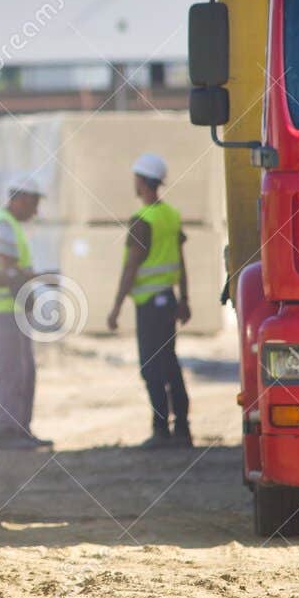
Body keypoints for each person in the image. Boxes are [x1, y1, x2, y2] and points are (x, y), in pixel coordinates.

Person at [106, 152, 192, 449]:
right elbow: (181, 262)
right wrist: (185, 298)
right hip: (167, 300)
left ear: (142, 182)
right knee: (170, 363)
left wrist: (116, 307)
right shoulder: (170, 215)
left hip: (149, 306)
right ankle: (182, 427)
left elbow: (131, 267)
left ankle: (160, 429)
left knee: (152, 367)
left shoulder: (142, 220)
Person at [0, 171, 54, 451]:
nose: (36, 209)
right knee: (13, 372)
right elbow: (8, 270)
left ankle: (20, 431)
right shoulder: (4, 225)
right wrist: (29, 290)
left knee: (24, 371)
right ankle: (8, 434)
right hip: (5, 309)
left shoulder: (9, 224)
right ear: (19, 199)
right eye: (34, 202)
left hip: (13, 309)